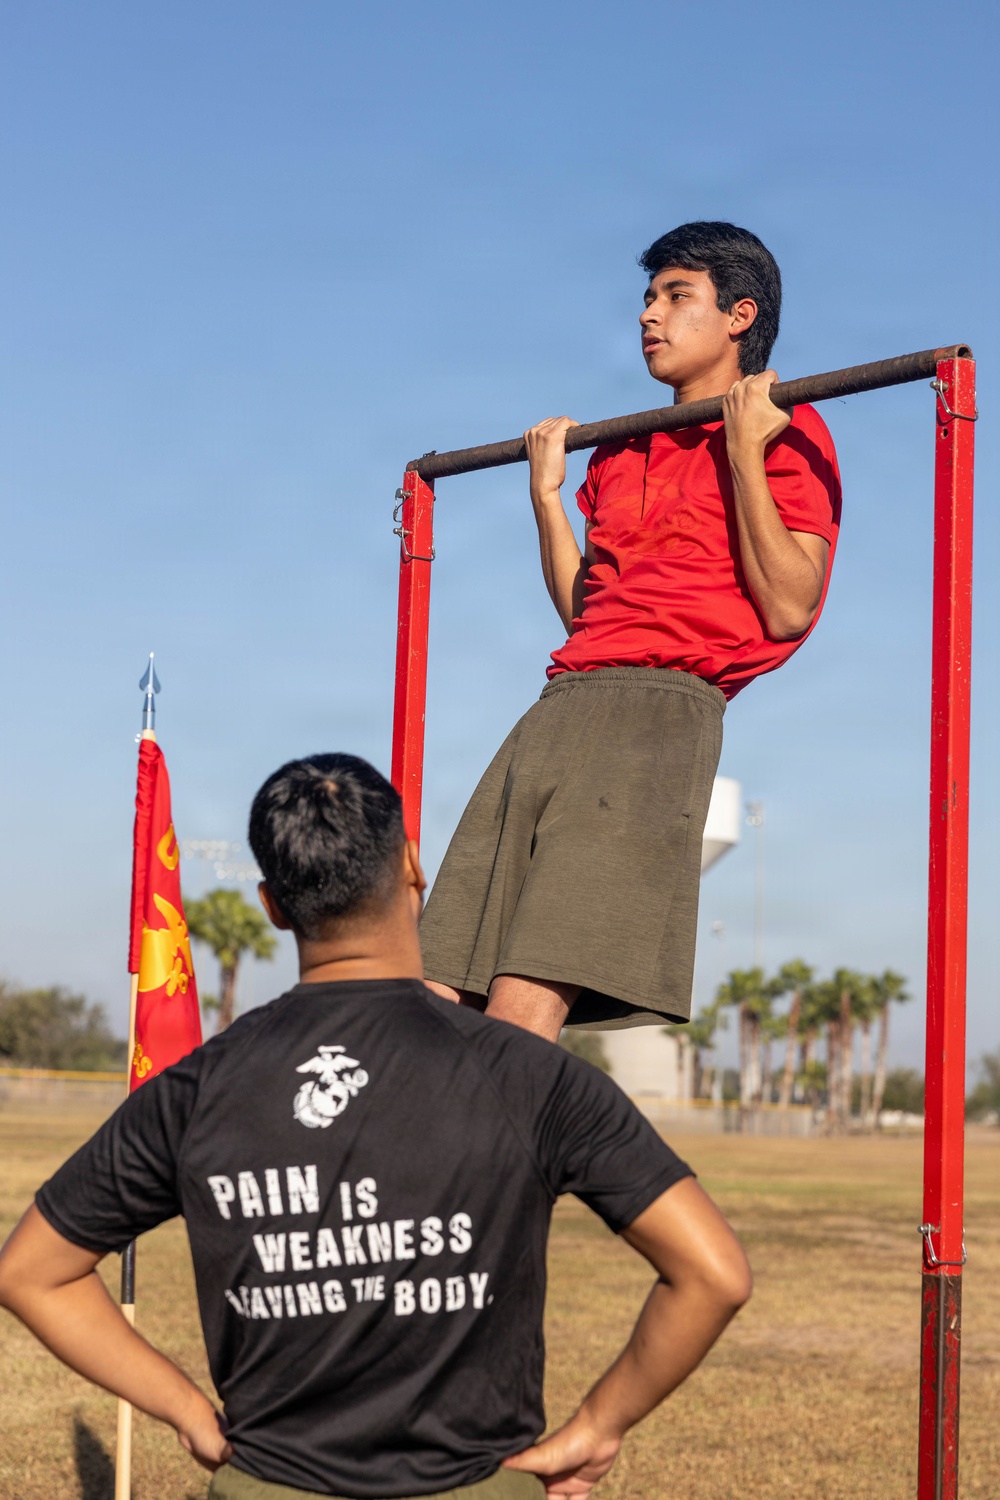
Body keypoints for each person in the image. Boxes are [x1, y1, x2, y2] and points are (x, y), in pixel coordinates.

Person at [0, 754, 751, 1500]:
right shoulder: (524, 1073)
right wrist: (599, 1424)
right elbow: (712, 1275)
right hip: (477, 1487)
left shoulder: (198, 1089)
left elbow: (31, 1273)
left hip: (271, 1485)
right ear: (413, 868)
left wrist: (186, 1411)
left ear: (271, 903)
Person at [419, 220, 842, 1043]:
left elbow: (790, 605)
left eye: (676, 296)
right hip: (560, 701)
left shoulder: (788, 430)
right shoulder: (620, 450)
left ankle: (505, 1171)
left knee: (520, 1008)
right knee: (435, 992)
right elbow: (592, 613)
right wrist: (548, 500)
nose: (649, 314)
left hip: (658, 713)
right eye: (647, 297)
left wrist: (746, 453)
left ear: (739, 316)